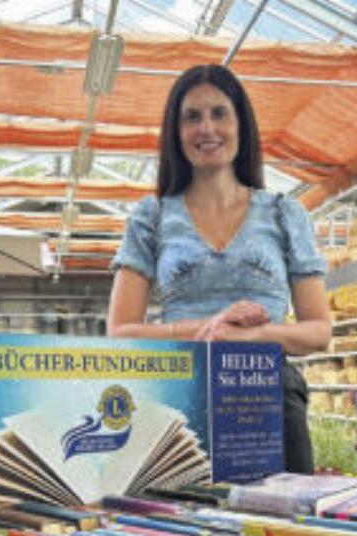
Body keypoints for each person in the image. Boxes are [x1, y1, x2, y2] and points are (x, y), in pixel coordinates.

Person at [107, 64, 331, 474]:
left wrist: (255, 335)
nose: (206, 128)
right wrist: (211, 326)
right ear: (175, 132)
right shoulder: (151, 216)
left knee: (282, 527)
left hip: (270, 398)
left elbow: (319, 330)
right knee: (184, 527)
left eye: (219, 113)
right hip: (180, 396)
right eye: (191, 117)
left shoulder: (284, 214)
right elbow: (120, 332)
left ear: (241, 124)